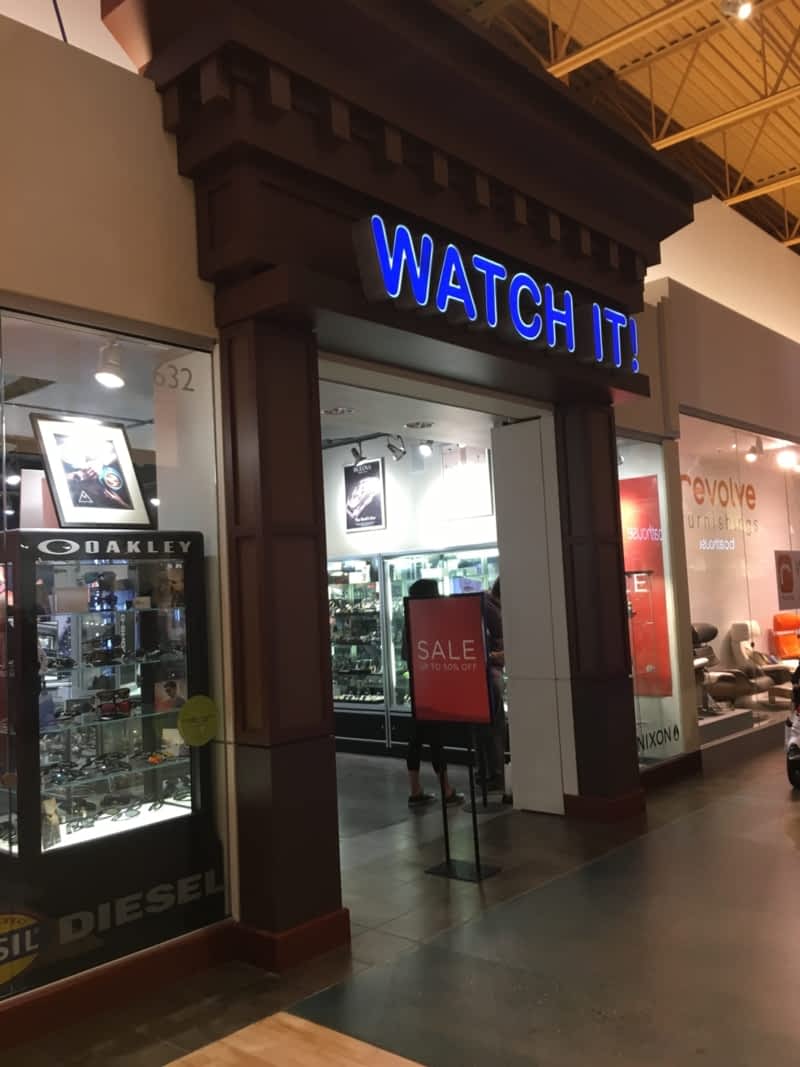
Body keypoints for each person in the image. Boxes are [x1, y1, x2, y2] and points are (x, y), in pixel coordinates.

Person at [402, 578, 464, 809]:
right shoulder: (433, 620)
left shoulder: (409, 621)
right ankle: (446, 790)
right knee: (437, 740)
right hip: (433, 689)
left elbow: (406, 655)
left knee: (416, 740)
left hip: (417, 689)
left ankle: (415, 791)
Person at [481, 577, 506, 792]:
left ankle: (486, 773)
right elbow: (501, 643)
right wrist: (498, 655)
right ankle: (497, 775)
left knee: (483, 727)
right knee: (495, 726)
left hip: (482, 673)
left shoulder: (484, 603)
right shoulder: (492, 610)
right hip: (491, 672)